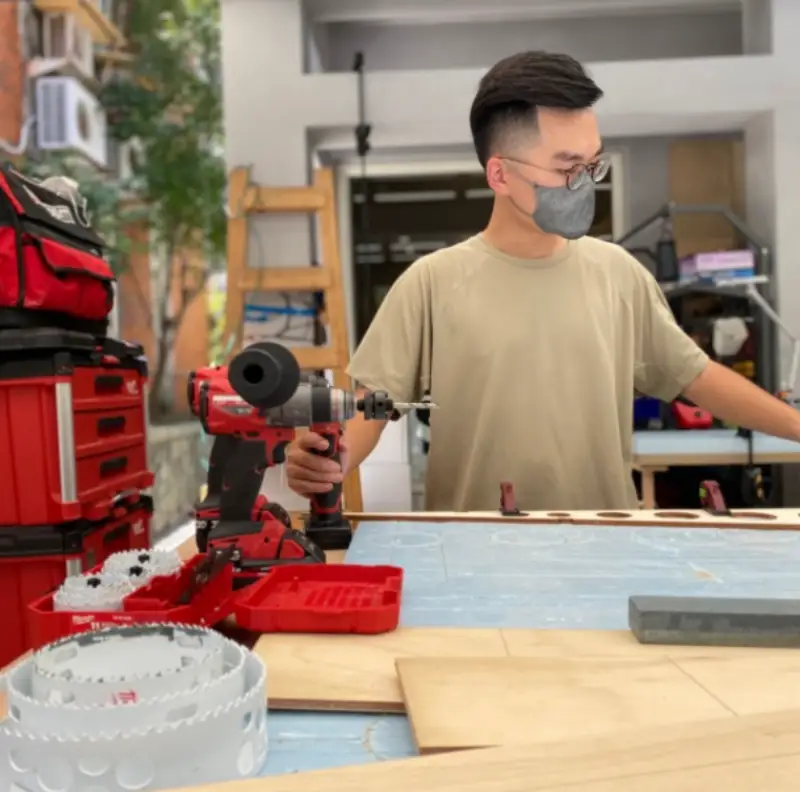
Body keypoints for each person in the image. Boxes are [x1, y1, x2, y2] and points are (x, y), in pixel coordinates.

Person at [286, 50, 800, 511]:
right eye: (566, 167)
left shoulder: (619, 275)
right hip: (470, 554)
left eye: (592, 164)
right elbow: (373, 408)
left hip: (606, 546)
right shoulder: (431, 284)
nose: (583, 183)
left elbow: (698, 378)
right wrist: (332, 455)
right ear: (500, 174)